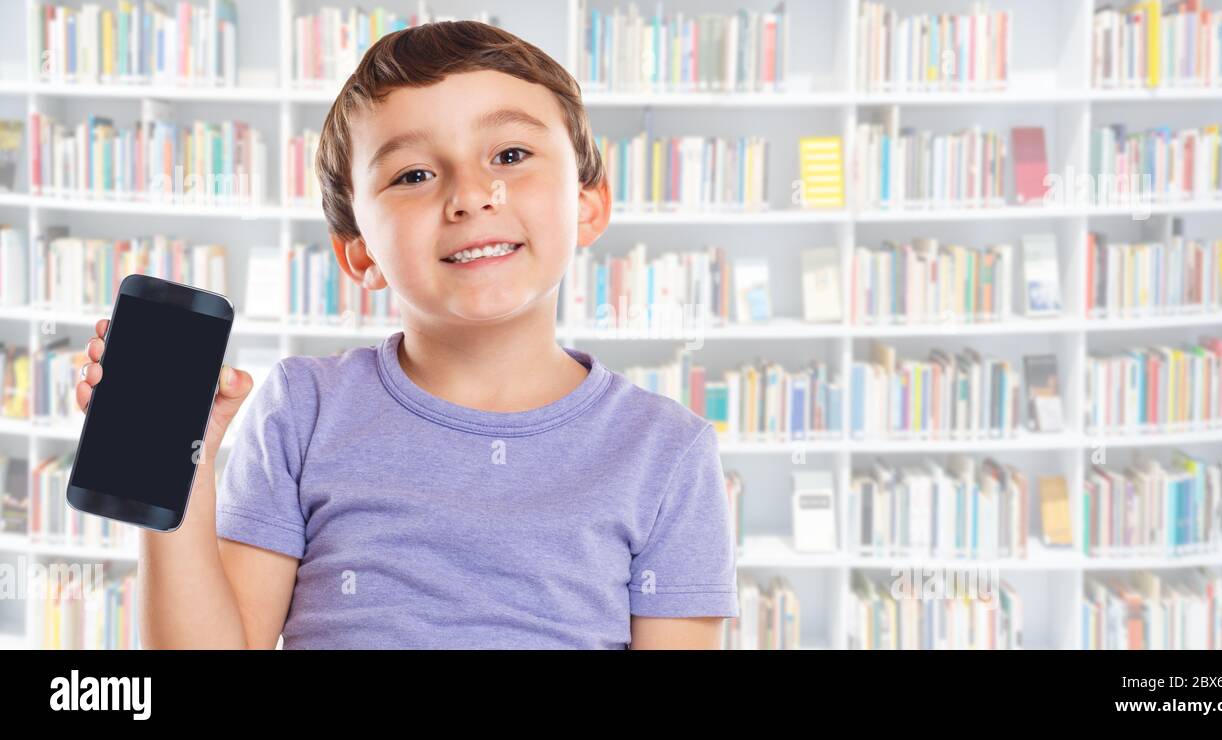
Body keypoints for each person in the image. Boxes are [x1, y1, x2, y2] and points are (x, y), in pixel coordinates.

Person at [75, 20, 738, 649]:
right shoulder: (302, 410)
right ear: (359, 253)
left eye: (510, 155)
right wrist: (177, 476)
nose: (472, 195)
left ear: (588, 205)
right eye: (414, 174)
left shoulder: (668, 453)